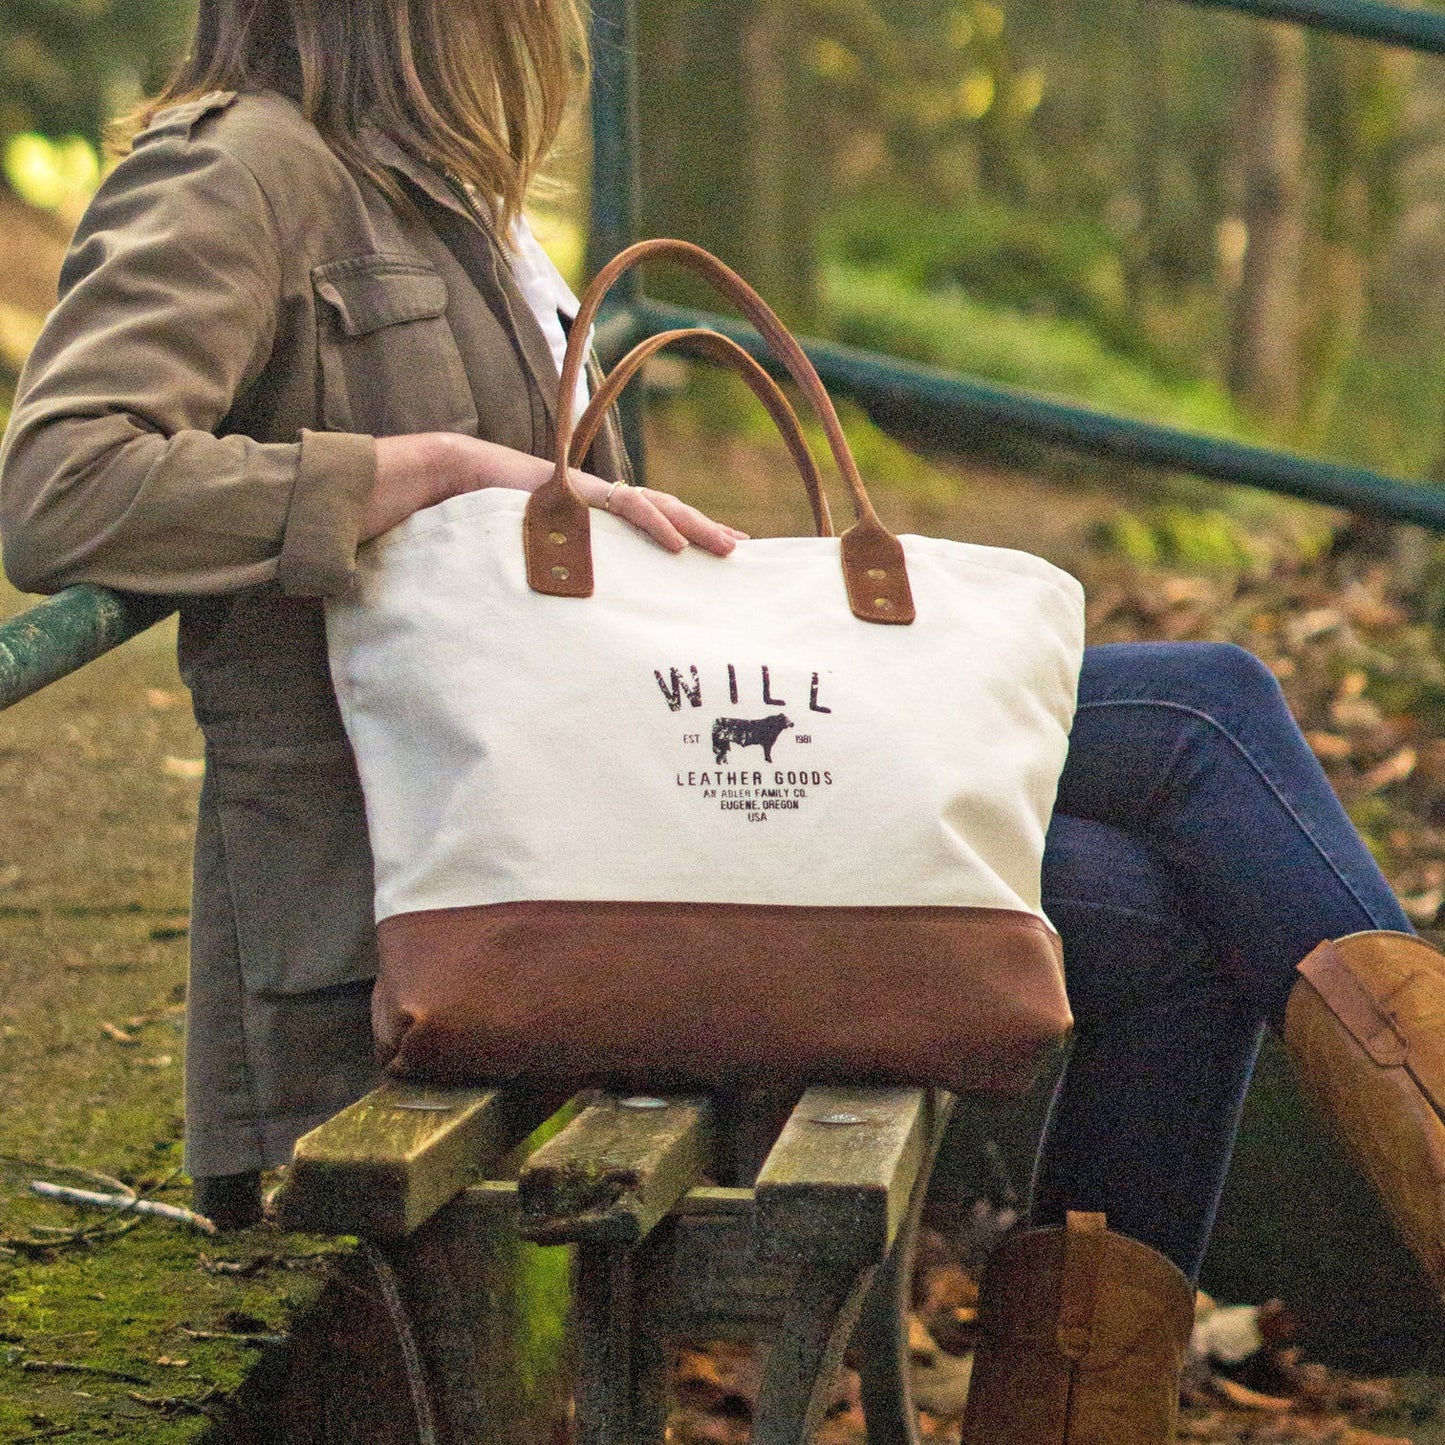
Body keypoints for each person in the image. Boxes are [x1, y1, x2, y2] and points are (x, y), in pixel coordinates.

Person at [0, 4, 1441, 1441]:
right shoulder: (242, 170)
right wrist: (407, 470)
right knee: (1201, 719)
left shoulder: (442, 199)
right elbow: (63, 479)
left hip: (619, 814)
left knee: (1159, 892)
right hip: (452, 886)